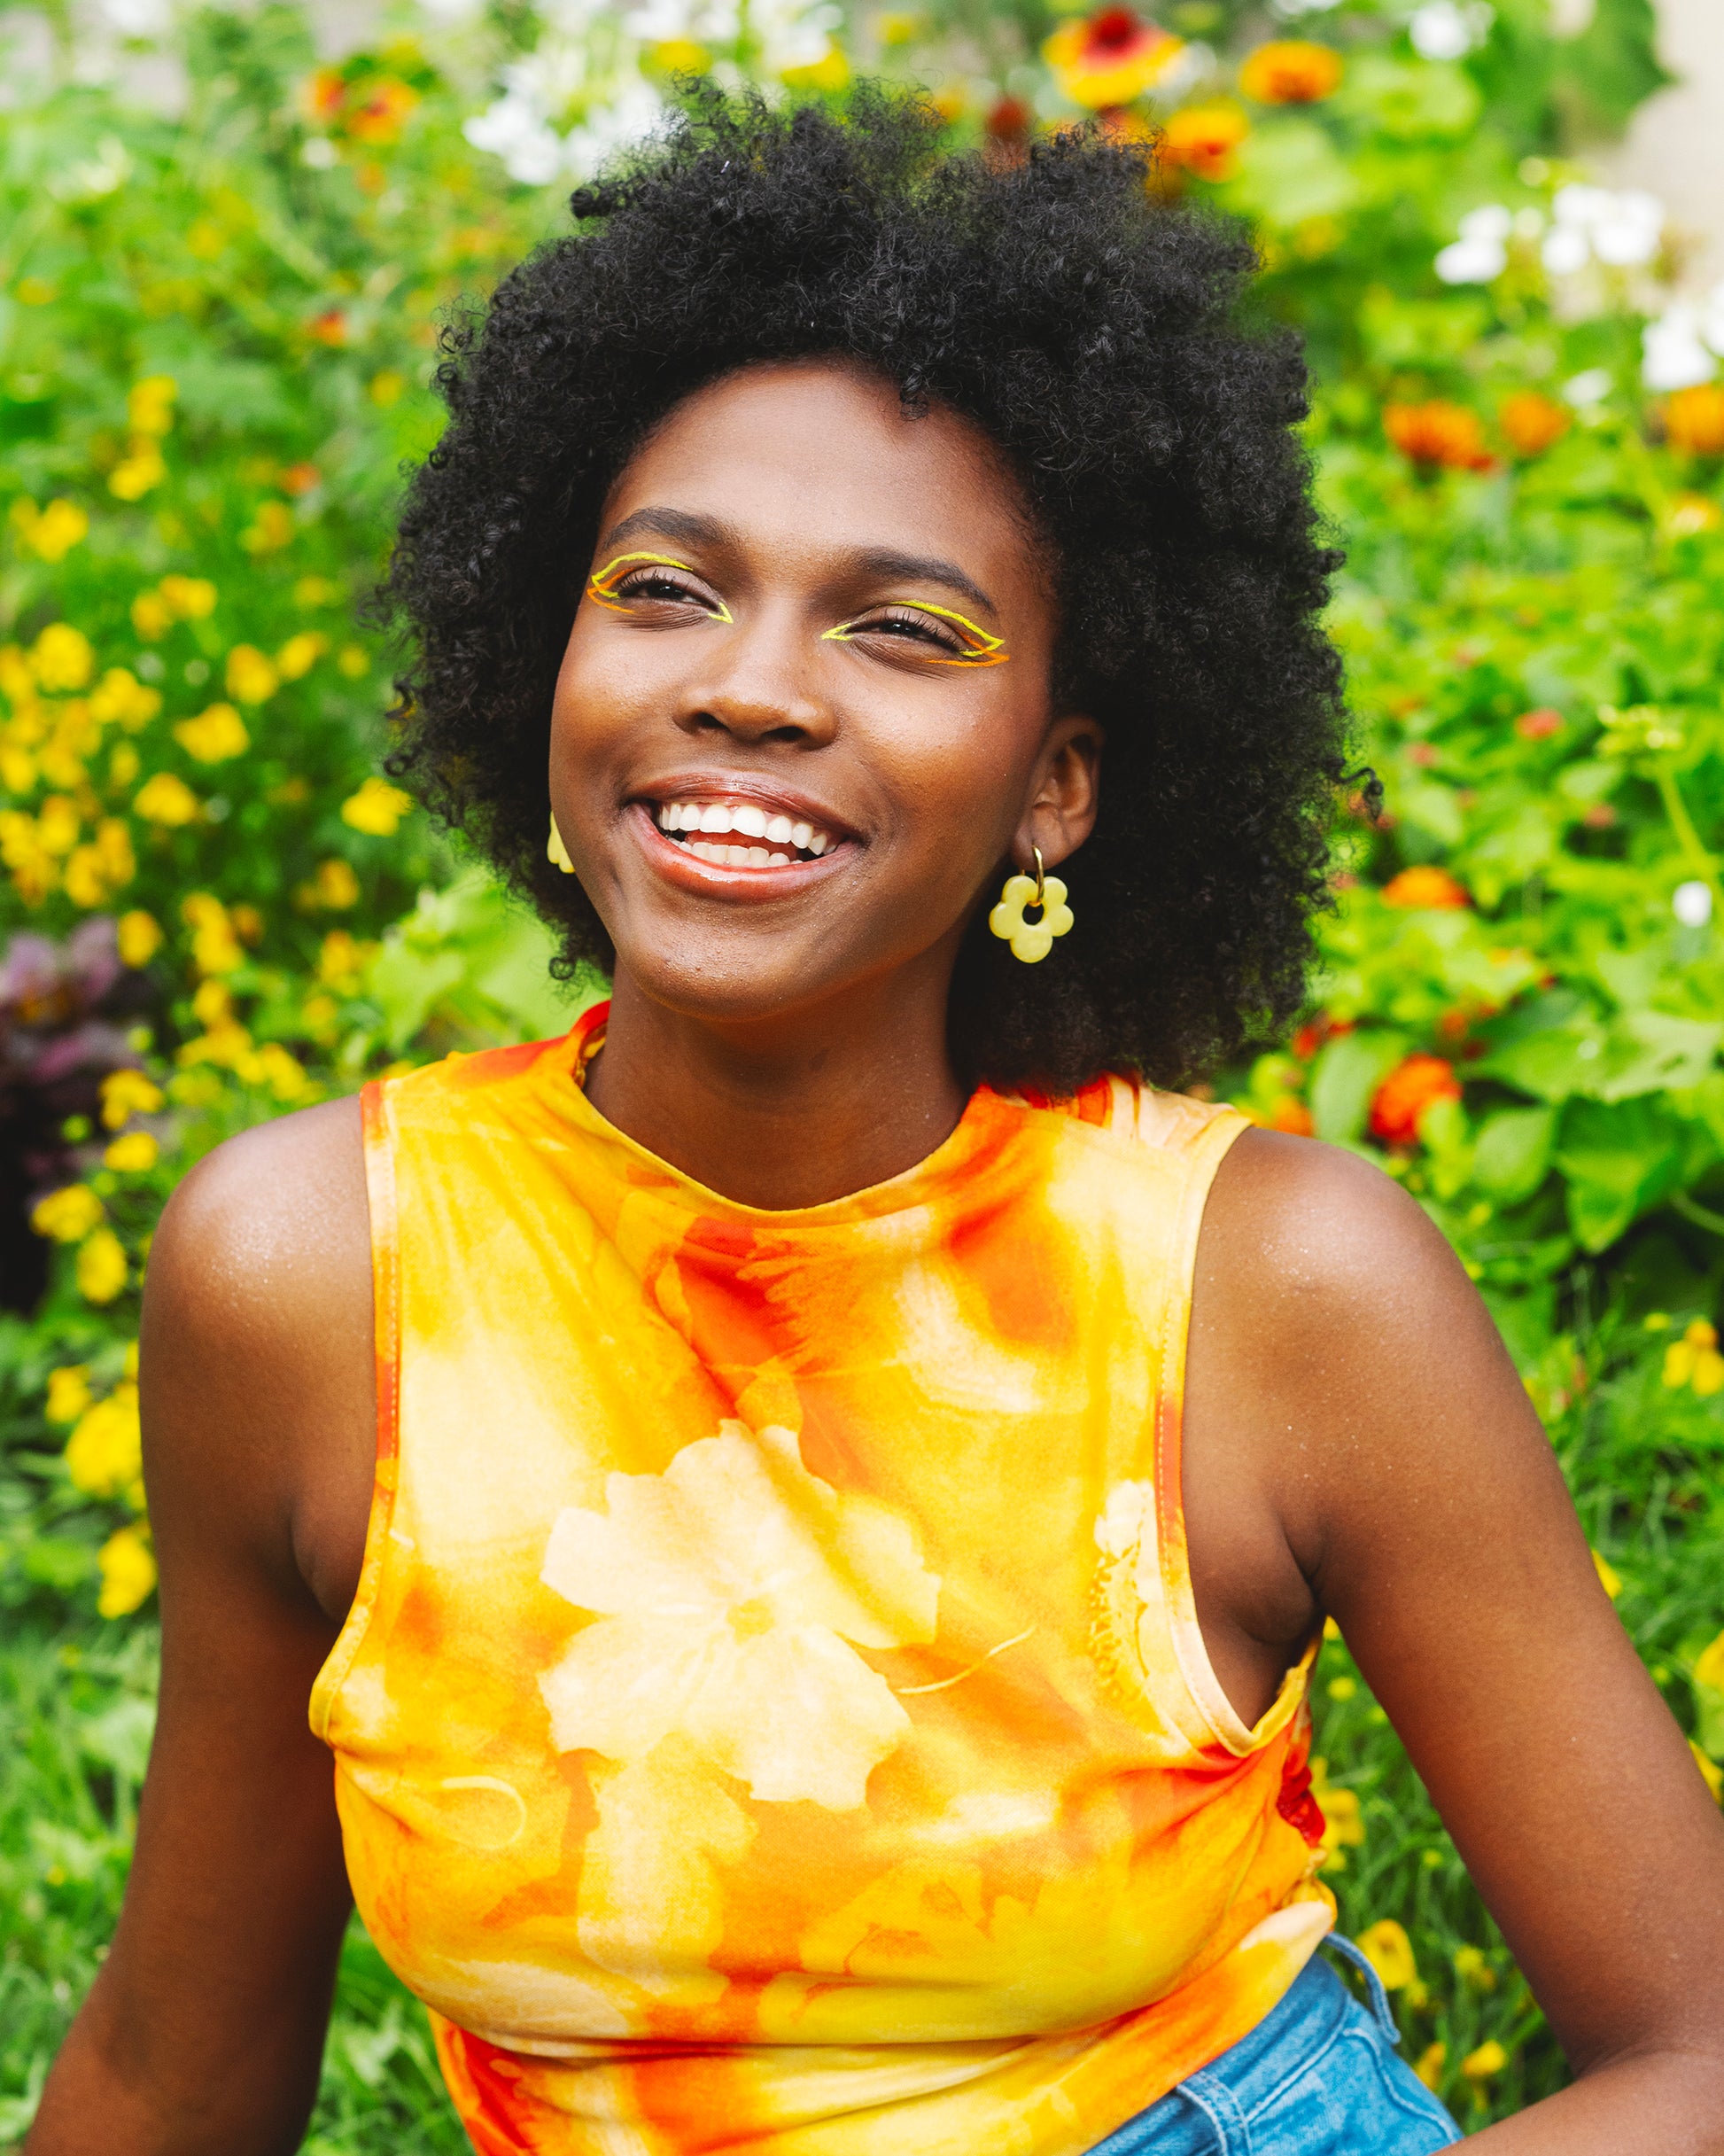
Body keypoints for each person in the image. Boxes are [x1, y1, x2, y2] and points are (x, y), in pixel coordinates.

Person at [27, 88, 1724, 2156]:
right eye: (662, 588)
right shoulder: (313, 1274)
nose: (749, 686)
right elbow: (175, 2076)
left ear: (1057, 783)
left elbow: (1696, 2053)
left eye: (902, 627)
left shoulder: (1270, 1289)